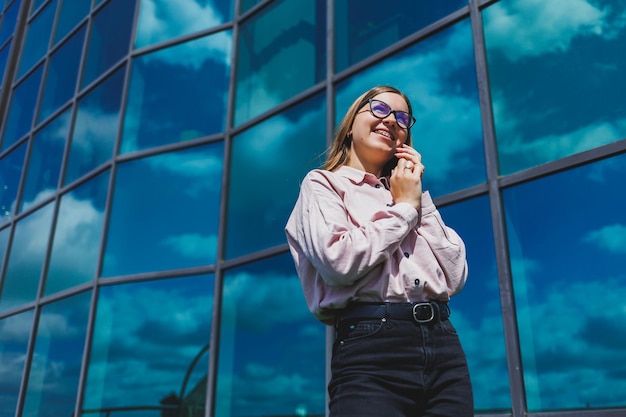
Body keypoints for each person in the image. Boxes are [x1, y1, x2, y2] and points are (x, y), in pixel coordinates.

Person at [285, 85, 473, 416]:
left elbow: (455, 277)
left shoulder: (408, 194)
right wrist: (403, 210)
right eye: (379, 109)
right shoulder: (322, 184)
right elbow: (338, 262)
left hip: (443, 344)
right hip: (371, 346)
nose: (392, 120)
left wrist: (417, 199)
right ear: (350, 124)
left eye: (402, 117)